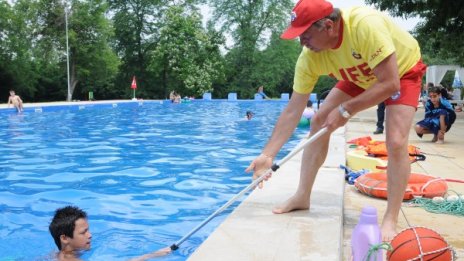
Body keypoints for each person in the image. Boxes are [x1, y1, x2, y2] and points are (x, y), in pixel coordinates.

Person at [245, 0, 426, 241]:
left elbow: (389, 83)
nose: (302, 43)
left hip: (400, 72)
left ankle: (390, 219)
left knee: (395, 140)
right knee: (318, 120)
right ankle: (302, 195)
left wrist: (346, 109)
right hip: (359, 74)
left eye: (305, 35)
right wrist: (268, 155)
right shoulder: (309, 58)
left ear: (328, 26)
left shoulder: (364, 26)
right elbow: (293, 110)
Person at [49, 205, 171, 261]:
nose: (90, 235)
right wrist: (151, 255)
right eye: (83, 232)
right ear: (64, 238)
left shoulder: (54, 255)